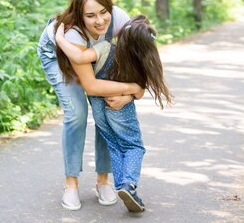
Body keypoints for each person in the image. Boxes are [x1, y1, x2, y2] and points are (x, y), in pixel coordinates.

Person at [37, 0, 144, 211]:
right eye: (90, 15)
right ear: (79, 15)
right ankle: (71, 184)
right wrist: (132, 87)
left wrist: (131, 94)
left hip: (93, 53)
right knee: (77, 113)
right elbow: (92, 86)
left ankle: (103, 180)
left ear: (110, 7)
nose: (100, 21)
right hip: (60, 57)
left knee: (106, 111)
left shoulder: (120, 19)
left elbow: (141, 60)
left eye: (104, 12)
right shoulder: (72, 33)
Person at [55, 15, 173, 212]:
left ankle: (123, 188)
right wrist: (127, 96)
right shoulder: (139, 61)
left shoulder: (104, 48)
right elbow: (139, 89)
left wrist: (60, 39)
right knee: (134, 146)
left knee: (113, 145)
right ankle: (128, 185)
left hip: (99, 106)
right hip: (120, 107)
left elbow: (79, 57)